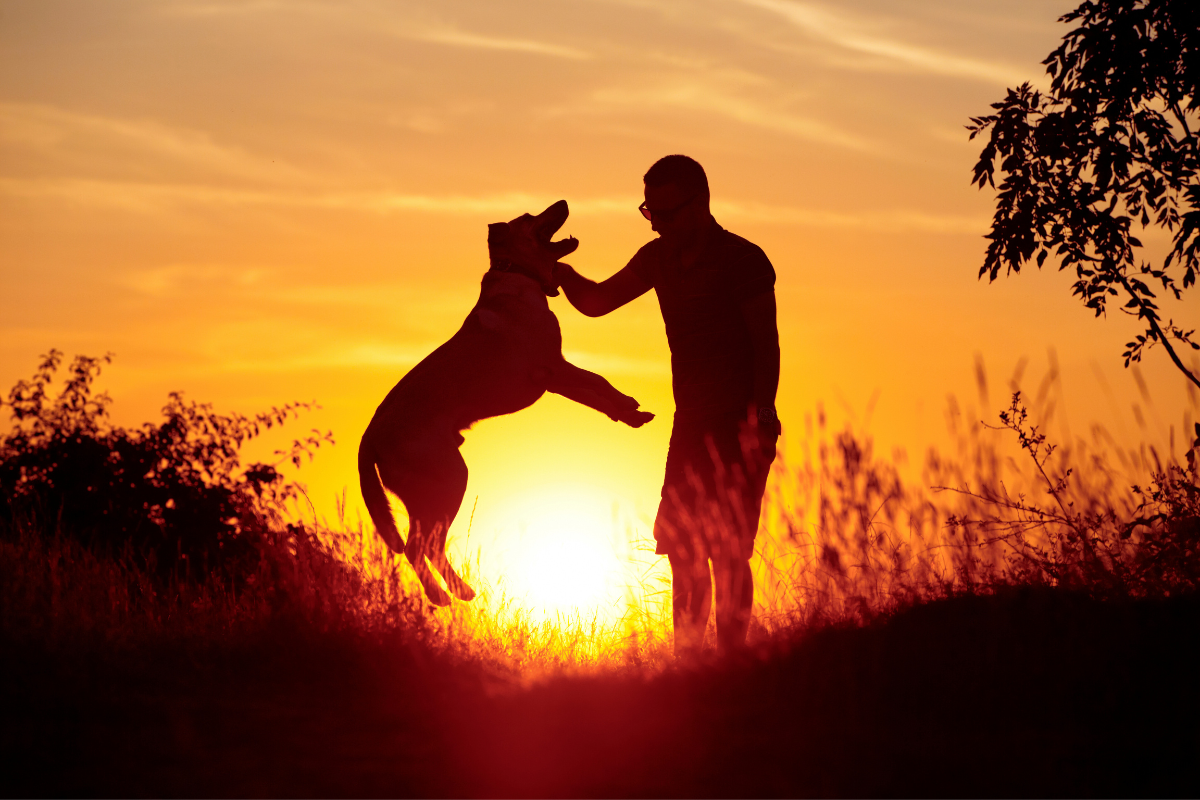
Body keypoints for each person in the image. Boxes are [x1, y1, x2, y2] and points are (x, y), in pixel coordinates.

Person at [554, 155, 781, 656]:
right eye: (649, 212)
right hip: (690, 425)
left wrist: (762, 419)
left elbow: (767, 347)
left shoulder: (743, 260)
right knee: (681, 550)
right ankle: (689, 663)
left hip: (740, 425)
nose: (657, 223)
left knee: (728, 554)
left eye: (667, 213)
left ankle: (731, 664)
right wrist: (557, 272)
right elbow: (595, 302)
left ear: (699, 204)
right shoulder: (657, 259)